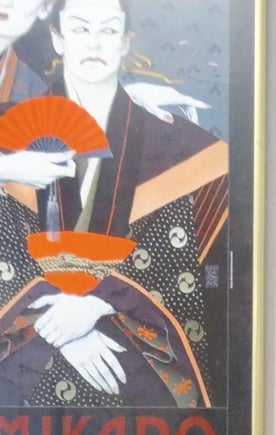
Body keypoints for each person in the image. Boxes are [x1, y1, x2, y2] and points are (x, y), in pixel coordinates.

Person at [0, 0, 227, 407]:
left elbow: (185, 256)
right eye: (80, 29)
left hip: (131, 356)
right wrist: (59, 326)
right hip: (28, 356)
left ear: (125, 43)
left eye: (107, 30)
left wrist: (97, 304)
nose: (94, 43)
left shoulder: (177, 144)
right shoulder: (9, 135)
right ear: (57, 39)